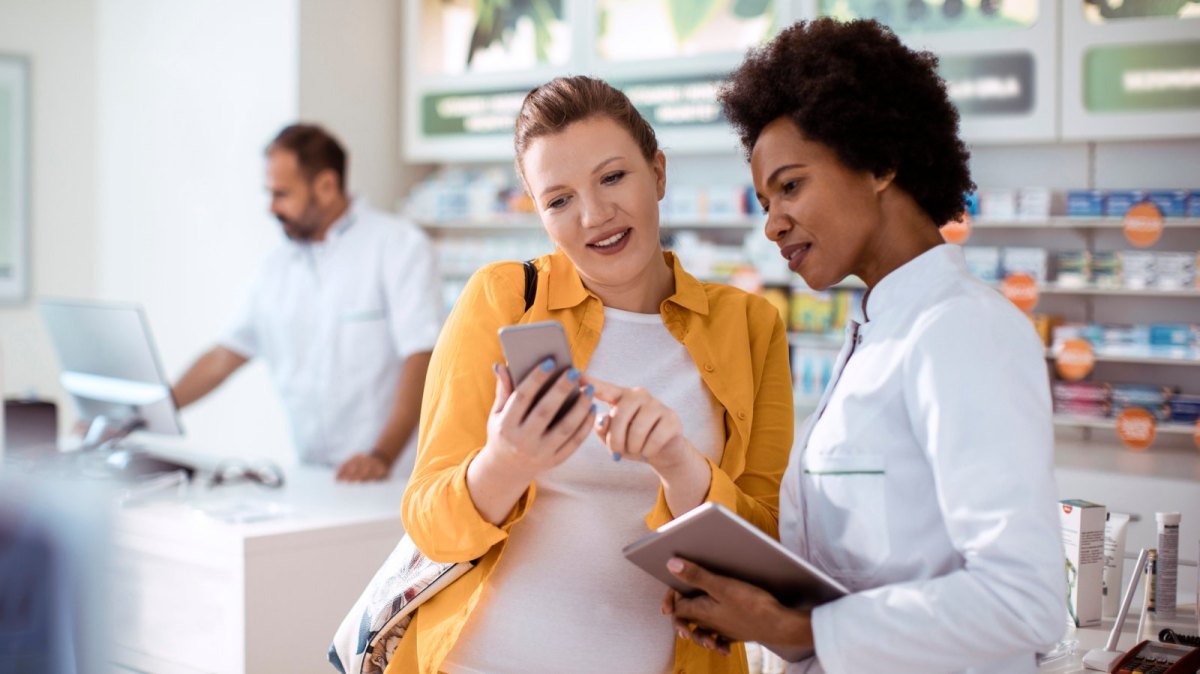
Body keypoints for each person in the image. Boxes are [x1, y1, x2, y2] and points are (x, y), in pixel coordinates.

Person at [664, 18, 1066, 674]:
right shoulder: (882, 333)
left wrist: (803, 630)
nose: (771, 224)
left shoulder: (962, 330)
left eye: (791, 186)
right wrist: (764, 609)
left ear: (880, 163)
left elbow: (1025, 602)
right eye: (764, 199)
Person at [389, 76, 794, 674]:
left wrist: (680, 466)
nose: (594, 215)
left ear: (657, 172)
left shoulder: (749, 325)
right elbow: (428, 520)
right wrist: (505, 463)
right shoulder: (502, 299)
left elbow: (768, 552)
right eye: (558, 200)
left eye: (612, 177)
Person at [172, 124, 441, 482]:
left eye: (282, 194)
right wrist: (147, 411)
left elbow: (422, 356)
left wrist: (382, 455)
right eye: (268, 193)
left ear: (326, 186)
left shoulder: (398, 246)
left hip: (393, 476)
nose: (271, 207)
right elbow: (224, 356)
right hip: (314, 476)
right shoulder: (275, 267)